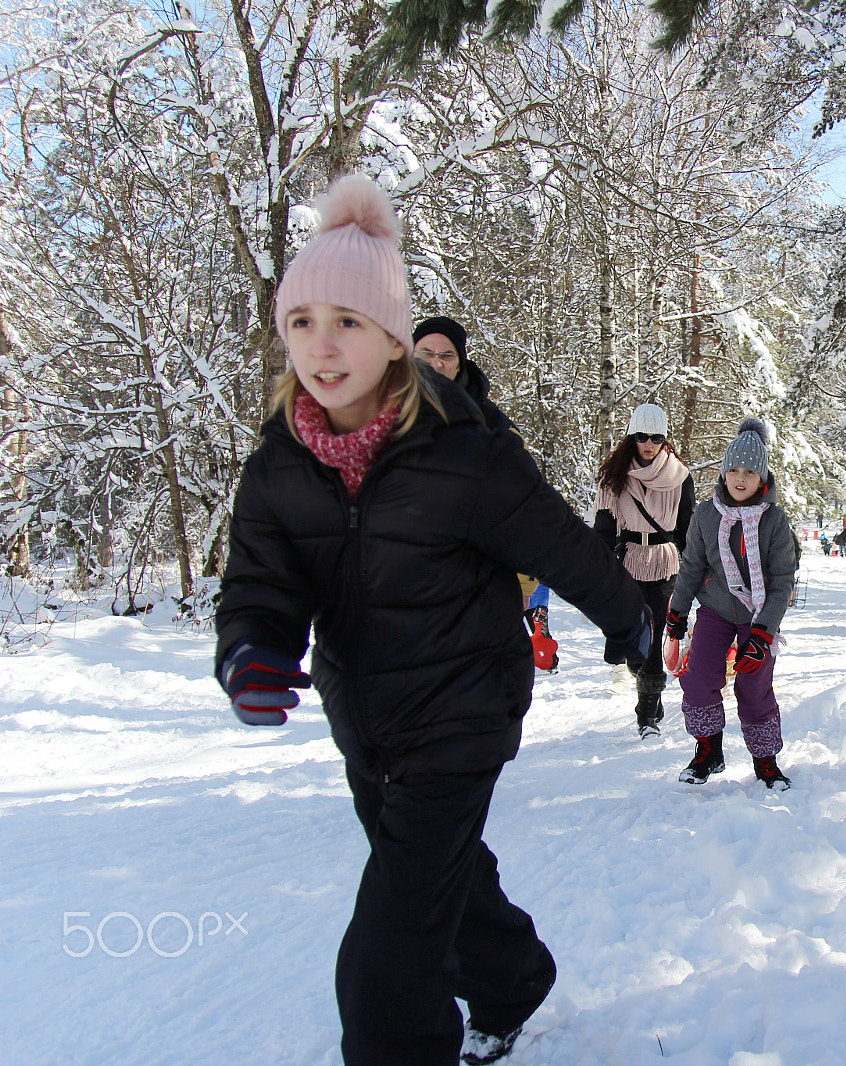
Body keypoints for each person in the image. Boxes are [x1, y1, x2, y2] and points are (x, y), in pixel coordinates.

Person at [213, 176, 650, 1066]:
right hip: (364, 713)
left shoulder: (464, 453)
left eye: (348, 323)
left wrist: (633, 628)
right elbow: (264, 581)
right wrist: (252, 648)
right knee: (442, 878)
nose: (323, 346)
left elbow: (563, 545)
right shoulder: (278, 466)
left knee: (385, 957)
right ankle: (512, 974)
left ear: (390, 339)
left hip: (463, 709)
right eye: (302, 322)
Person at [663, 418, 799, 789]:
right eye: (734, 470)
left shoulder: (773, 520)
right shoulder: (706, 516)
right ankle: (708, 750)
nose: (741, 479)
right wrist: (677, 611)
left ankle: (765, 761)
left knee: (754, 689)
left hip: (758, 617)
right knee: (698, 678)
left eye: (750, 472)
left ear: (763, 478)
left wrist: (763, 633)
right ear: (723, 474)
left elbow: (782, 579)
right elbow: (691, 565)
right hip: (716, 610)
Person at [593, 403, 697, 737]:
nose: (648, 443)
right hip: (628, 563)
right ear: (631, 437)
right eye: (642, 436)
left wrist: (694, 569)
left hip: (665, 563)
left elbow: (687, 528)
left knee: (652, 641)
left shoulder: (680, 477)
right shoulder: (616, 477)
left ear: (665, 439)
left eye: (655, 437)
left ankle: (646, 716)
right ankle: (647, 687)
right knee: (631, 641)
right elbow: (604, 529)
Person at [412, 316, 515, 433]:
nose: (436, 365)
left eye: (447, 356)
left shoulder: (488, 420)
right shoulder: (389, 407)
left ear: (459, 366)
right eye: (426, 353)